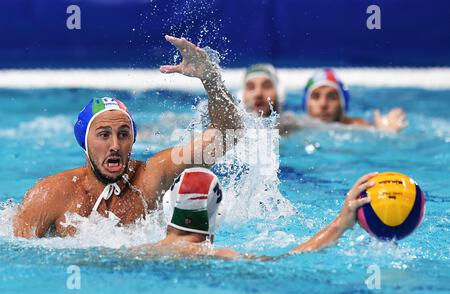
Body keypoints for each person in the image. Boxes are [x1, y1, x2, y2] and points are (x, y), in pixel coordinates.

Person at [13, 35, 242, 238]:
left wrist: (211, 79)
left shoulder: (152, 178)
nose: (115, 145)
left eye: (123, 134)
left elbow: (227, 136)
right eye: (104, 135)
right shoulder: (49, 195)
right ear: (84, 142)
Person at [131, 168, 377, 260]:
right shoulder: (221, 257)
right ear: (216, 216)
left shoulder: (135, 253)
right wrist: (341, 223)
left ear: (167, 207)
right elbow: (287, 258)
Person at [301, 68, 407, 132]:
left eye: (332, 97)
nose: (323, 104)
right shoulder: (296, 125)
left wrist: (386, 132)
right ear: (306, 103)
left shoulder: (357, 126)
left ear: (343, 103)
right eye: (315, 96)